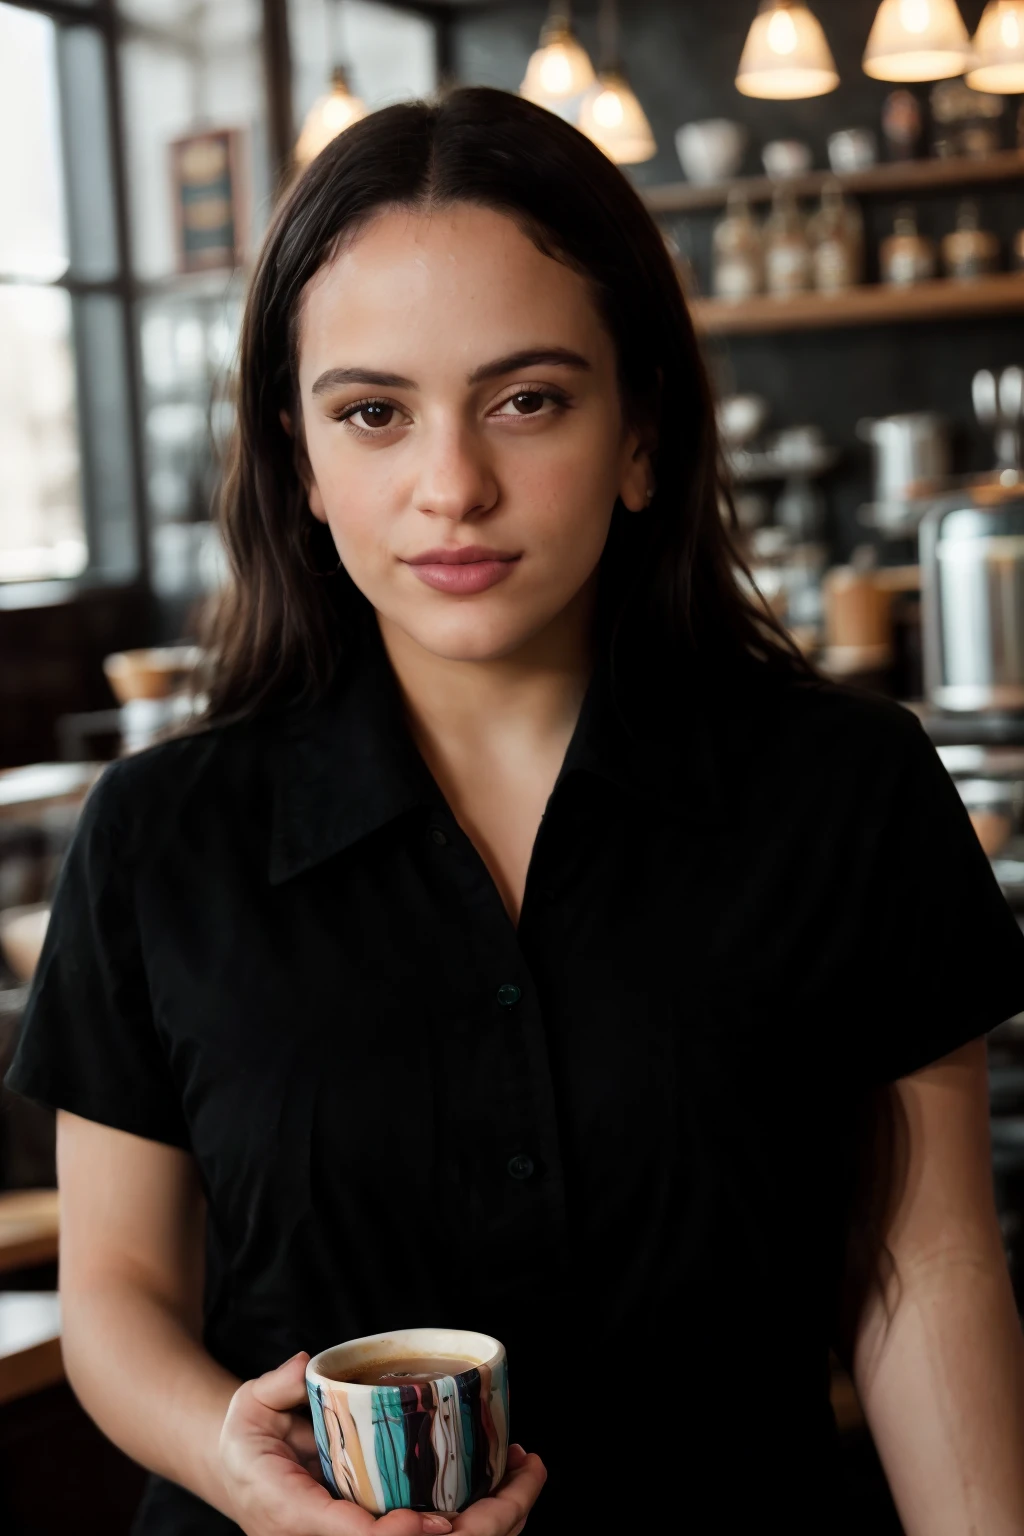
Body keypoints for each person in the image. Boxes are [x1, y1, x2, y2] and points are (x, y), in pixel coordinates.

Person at [7, 85, 1024, 1536]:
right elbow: (116, 1295)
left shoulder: (845, 792)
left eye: (526, 399)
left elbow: (924, 1271)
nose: (452, 487)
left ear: (641, 433)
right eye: (373, 413)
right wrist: (229, 1459)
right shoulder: (160, 836)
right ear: (301, 461)